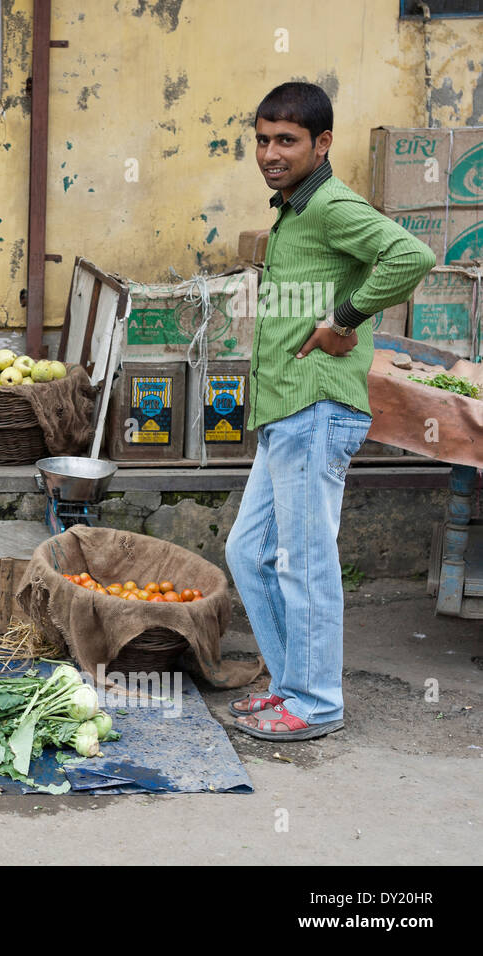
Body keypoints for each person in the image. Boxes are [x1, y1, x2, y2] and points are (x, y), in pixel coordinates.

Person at [224, 83, 434, 741]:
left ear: (322, 144)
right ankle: (290, 686)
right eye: (262, 139)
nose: (269, 153)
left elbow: (413, 255)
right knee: (247, 551)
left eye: (285, 140)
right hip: (288, 409)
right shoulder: (297, 208)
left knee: (304, 559)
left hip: (317, 407)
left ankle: (315, 703)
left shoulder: (333, 205)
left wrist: (345, 318)